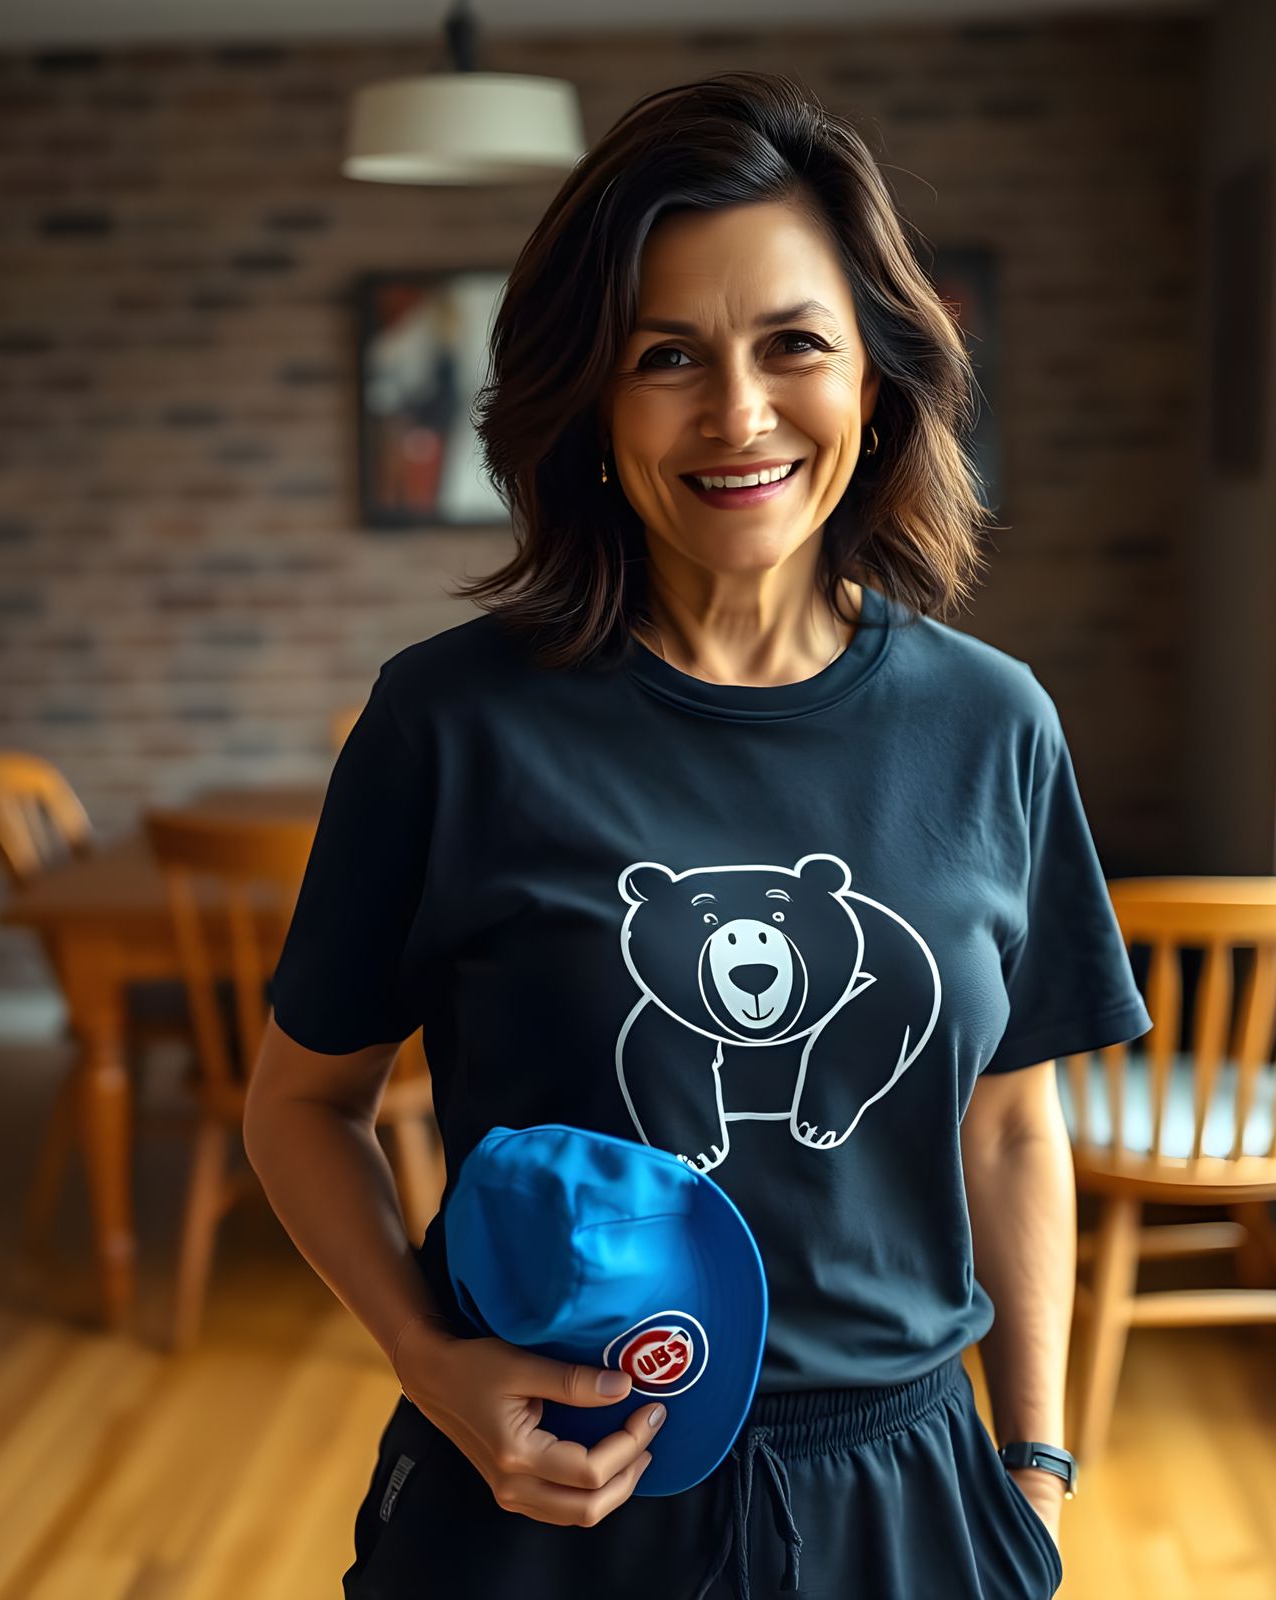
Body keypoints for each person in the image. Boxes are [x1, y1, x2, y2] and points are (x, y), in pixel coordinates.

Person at [244, 69, 1152, 1600]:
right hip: (539, 1498)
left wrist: (1038, 1472)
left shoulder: (995, 725)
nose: (739, 414)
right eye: (666, 357)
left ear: (878, 374)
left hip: (908, 1500)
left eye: (793, 343)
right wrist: (430, 1363)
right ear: (591, 399)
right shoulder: (448, 725)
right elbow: (302, 1105)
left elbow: (1007, 1125)